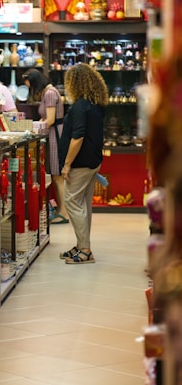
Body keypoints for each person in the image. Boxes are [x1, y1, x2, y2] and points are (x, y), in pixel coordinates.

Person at [59, 63, 109, 264]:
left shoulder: (80, 106)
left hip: (80, 163)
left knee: (72, 202)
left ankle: (85, 250)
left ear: (75, 83)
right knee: (84, 205)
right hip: (92, 161)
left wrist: (67, 164)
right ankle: (82, 246)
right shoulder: (94, 105)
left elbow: (77, 137)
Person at [23, 69, 69, 223]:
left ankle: (63, 212)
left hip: (55, 134)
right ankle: (61, 210)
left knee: (57, 175)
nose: (31, 90)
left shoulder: (49, 93)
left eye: (31, 86)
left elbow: (49, 120)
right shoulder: (48, 92)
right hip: (53, 133)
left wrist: (34, 127)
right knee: (56, 175)